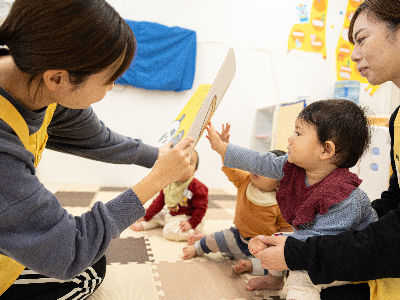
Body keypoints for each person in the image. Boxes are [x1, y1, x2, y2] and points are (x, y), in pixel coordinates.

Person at [0, 0, 194, 299]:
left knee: (94, 259)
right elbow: (69, 251)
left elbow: (98, 139)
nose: (113, 87)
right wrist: (157, 180)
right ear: (57, 78)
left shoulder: (32, 79)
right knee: (83, 265)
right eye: (110, 79)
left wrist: (162, 158)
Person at [243, 1, 400, 299]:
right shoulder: (397, 118)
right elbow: (395, 200)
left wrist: (304, 252)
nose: (354, 55)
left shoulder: (343, 191)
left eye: (362, 39)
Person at [205, 99, 378, 300]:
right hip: (315, 244)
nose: (289, 139)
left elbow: (323, 242)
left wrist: (276, 242)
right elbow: (261, 162)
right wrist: (222, 148)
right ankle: (274, 279)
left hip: (348, 260)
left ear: (326, 150)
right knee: (279, 240)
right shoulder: (295, 167)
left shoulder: (344, 196)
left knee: (301, 275)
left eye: (298, 133)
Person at [182, 123, 292, 283]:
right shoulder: (245, 181)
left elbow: (284, 230)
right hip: (237, 237)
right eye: (259, 165)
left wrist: (275, 248)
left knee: (276, 264)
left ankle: (249, 266)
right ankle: (198, 247)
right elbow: (230, 168)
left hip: (261, 247)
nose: (258, 170)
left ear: (279, 184)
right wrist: (223, 147)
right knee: (215, 239)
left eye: (266, 171)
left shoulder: (281, 203)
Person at [130, 150, 209, 242]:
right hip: (172, 213)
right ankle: (145, 223)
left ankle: (194, 234)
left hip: (189, 217)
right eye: (180, 162)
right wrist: (146, 216)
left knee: (168, 231)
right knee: (158, 213)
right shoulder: (169, 183)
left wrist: (191, 223)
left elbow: (200, 209)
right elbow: (159, 202)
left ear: (195, 170)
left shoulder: (197, 187)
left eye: (189, 163)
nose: (184, 166)